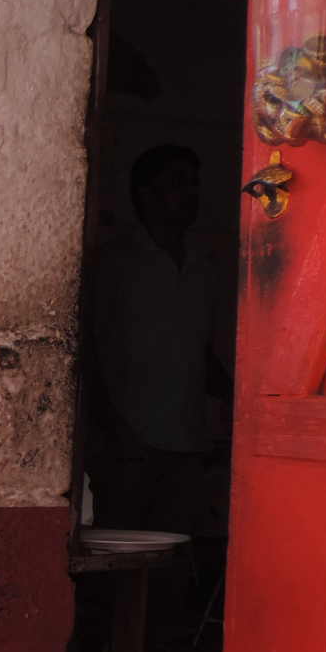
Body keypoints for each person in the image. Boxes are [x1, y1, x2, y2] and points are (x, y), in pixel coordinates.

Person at [85, 144, 232, 536]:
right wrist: (106, 426)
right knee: (122, 551)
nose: (191, 194)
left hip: (188, 436)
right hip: (127, 439)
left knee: (177, 554)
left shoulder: (204, 263)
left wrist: (235, 406)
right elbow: (88, 349)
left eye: (194, 184)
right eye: (178, 184)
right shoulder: (116, 263)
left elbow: (195, 346)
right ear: (145, 194)